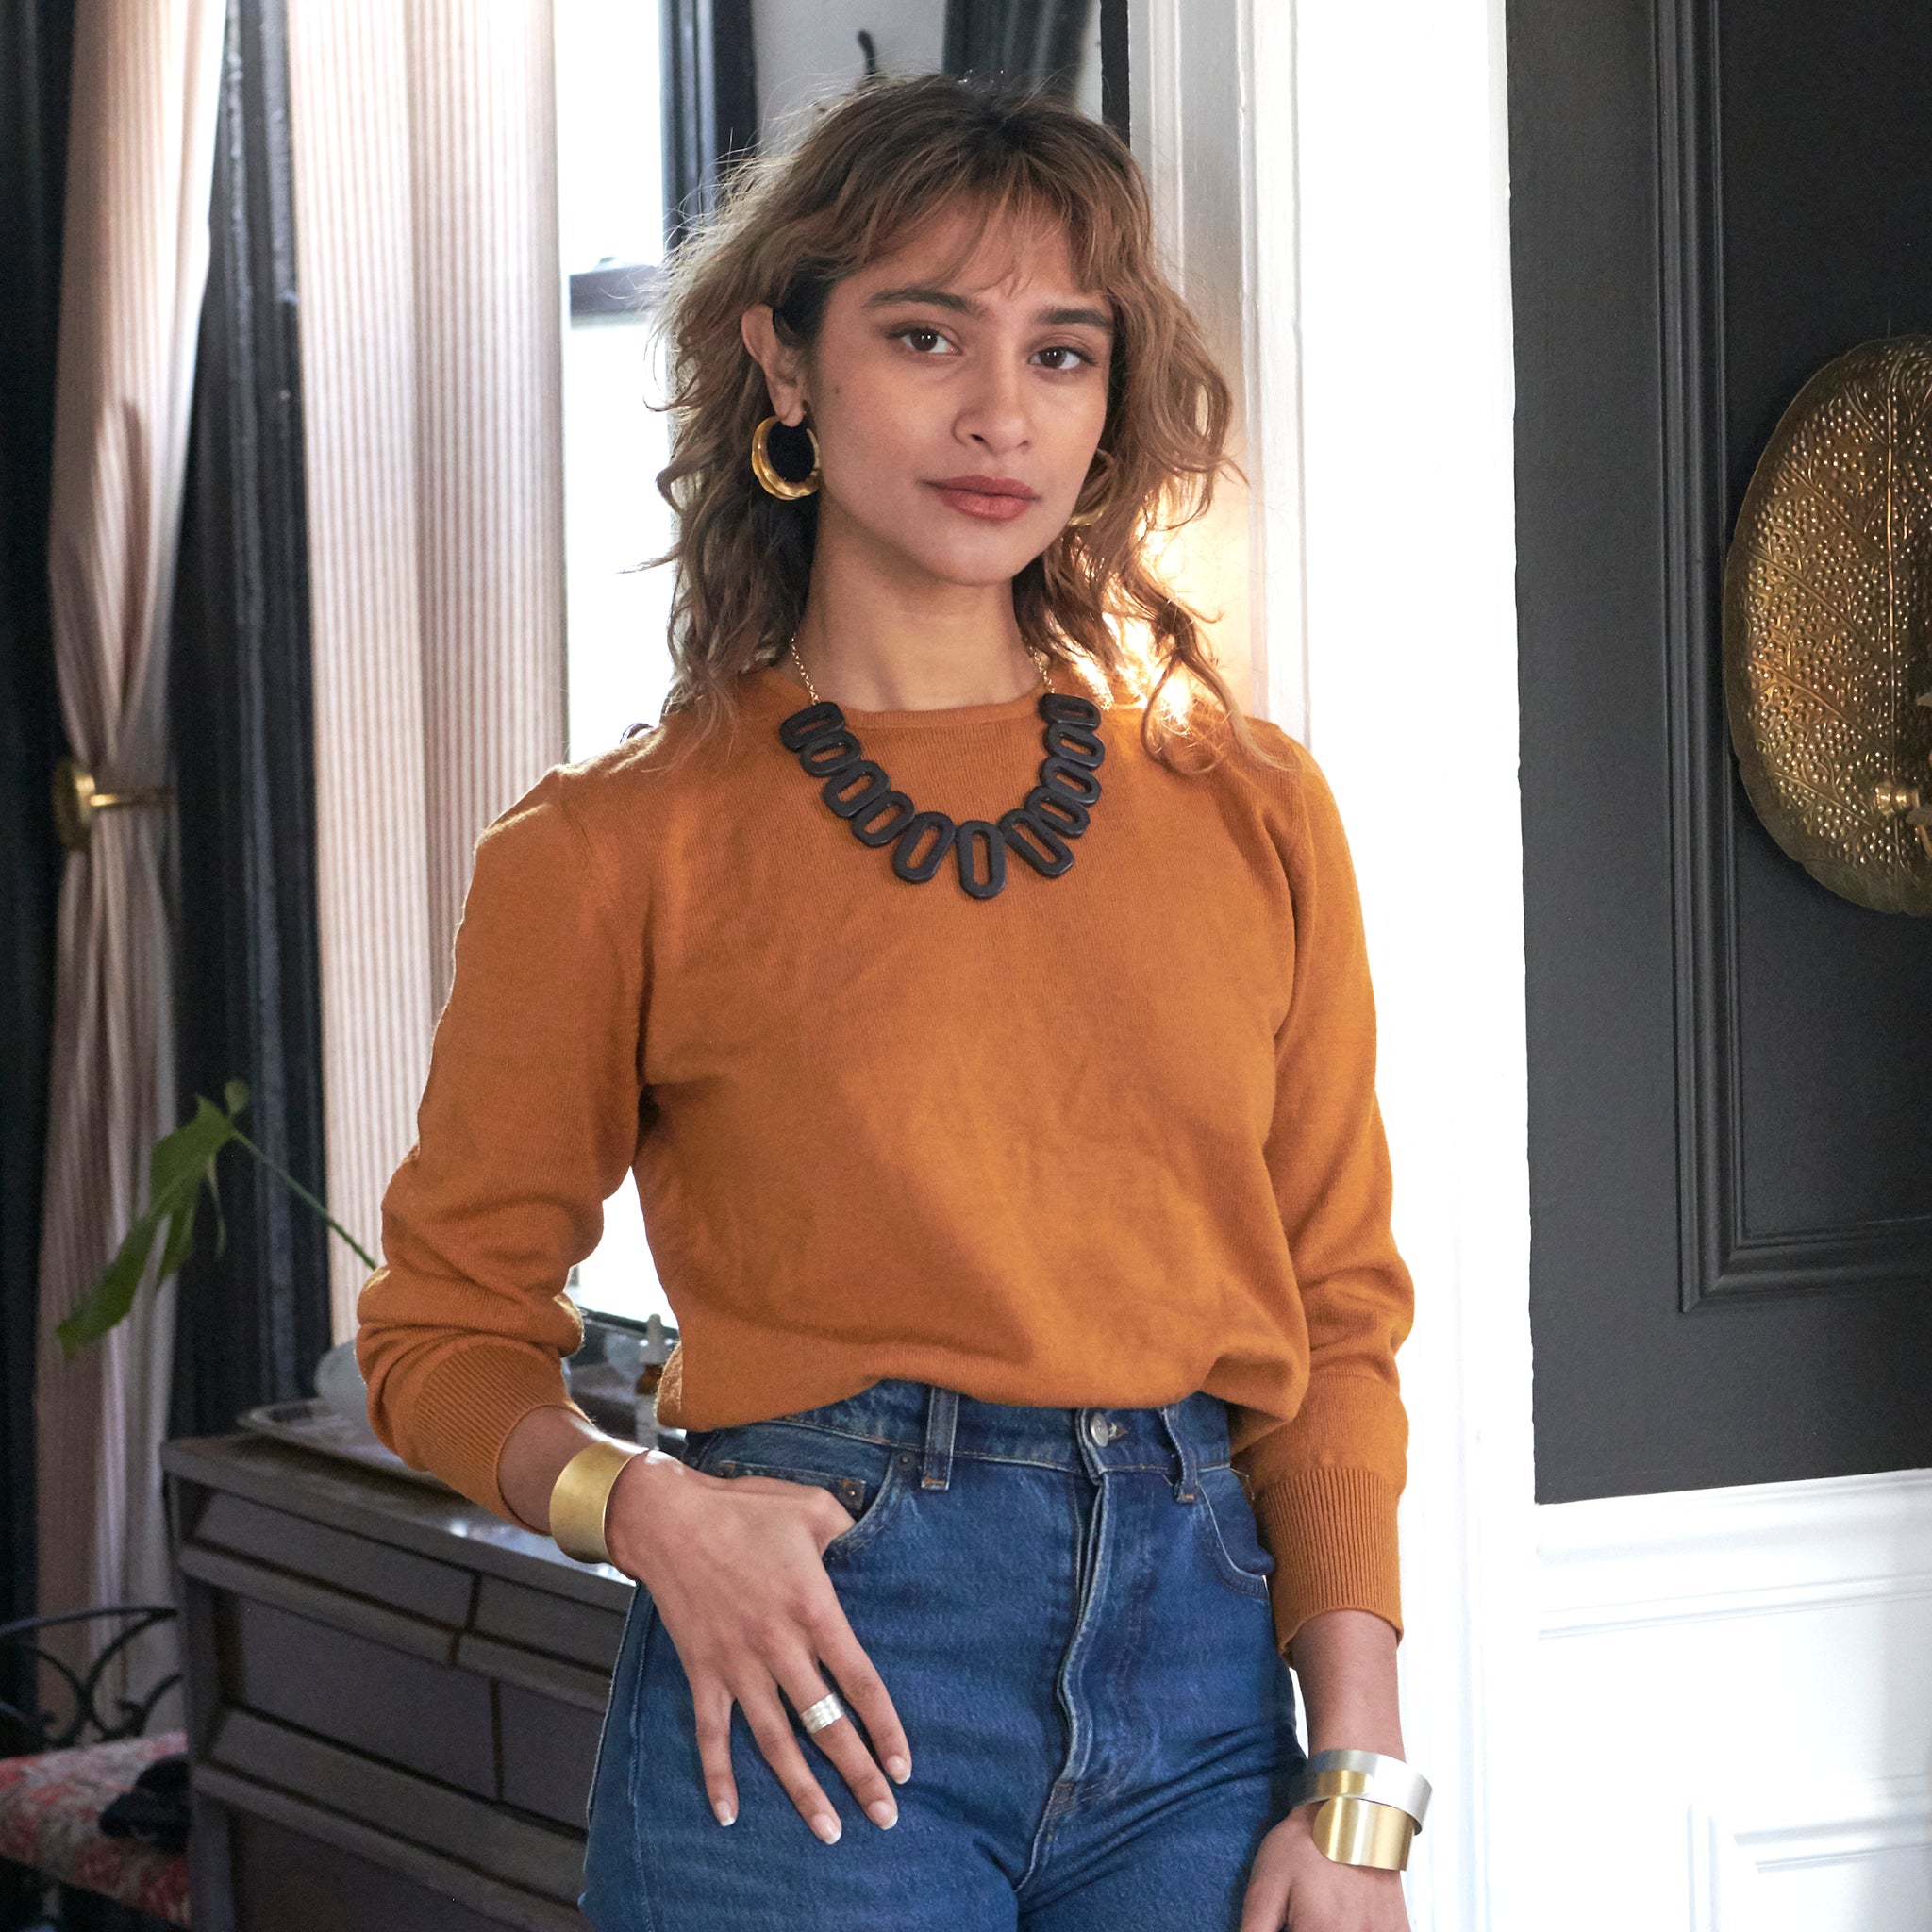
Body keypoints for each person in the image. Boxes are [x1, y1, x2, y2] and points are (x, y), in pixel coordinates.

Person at [356, 71, 1422, 1932]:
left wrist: (1357, 1787)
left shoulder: (1250, 810)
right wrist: (644, 1508)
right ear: (784, 358)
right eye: (924, 333)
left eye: (1062, 352)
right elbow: (441, 1328)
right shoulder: (615, 848)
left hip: (1200, 1694)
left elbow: (1334, 1328)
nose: (998, 411)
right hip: (808, 1674)